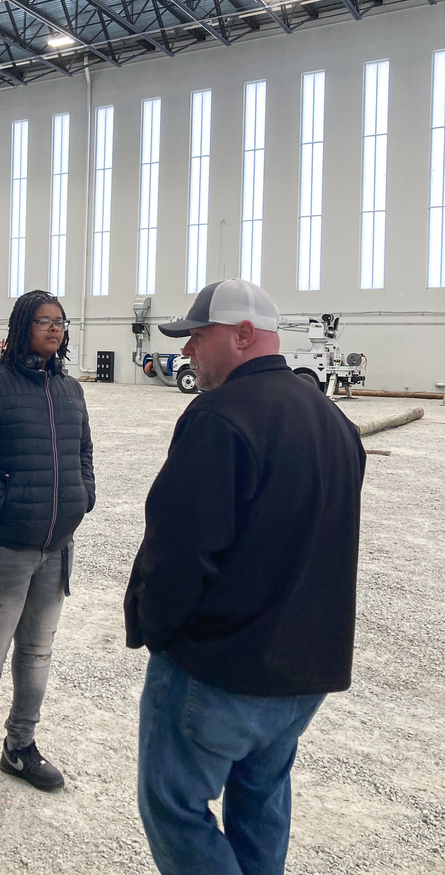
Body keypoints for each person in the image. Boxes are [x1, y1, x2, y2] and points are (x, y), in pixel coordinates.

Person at [124, 278, 365, 875]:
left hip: (222, 668)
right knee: (260, 800)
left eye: (196, 339)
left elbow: (179, 551)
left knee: (175, 805)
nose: (185, 354)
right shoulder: (334, 422)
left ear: (242, 336)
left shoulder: (220, 418)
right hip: (302, 673)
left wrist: (157, 629)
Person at [0, 289, 95, 812]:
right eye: (44, 321)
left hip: (56, 547)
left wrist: (82, 496)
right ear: (22, 326)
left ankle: (20, 747)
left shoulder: (71, 390)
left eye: (60, 322)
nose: (54, 329)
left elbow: (83, 453)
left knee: (36, 654)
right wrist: (4, 503)